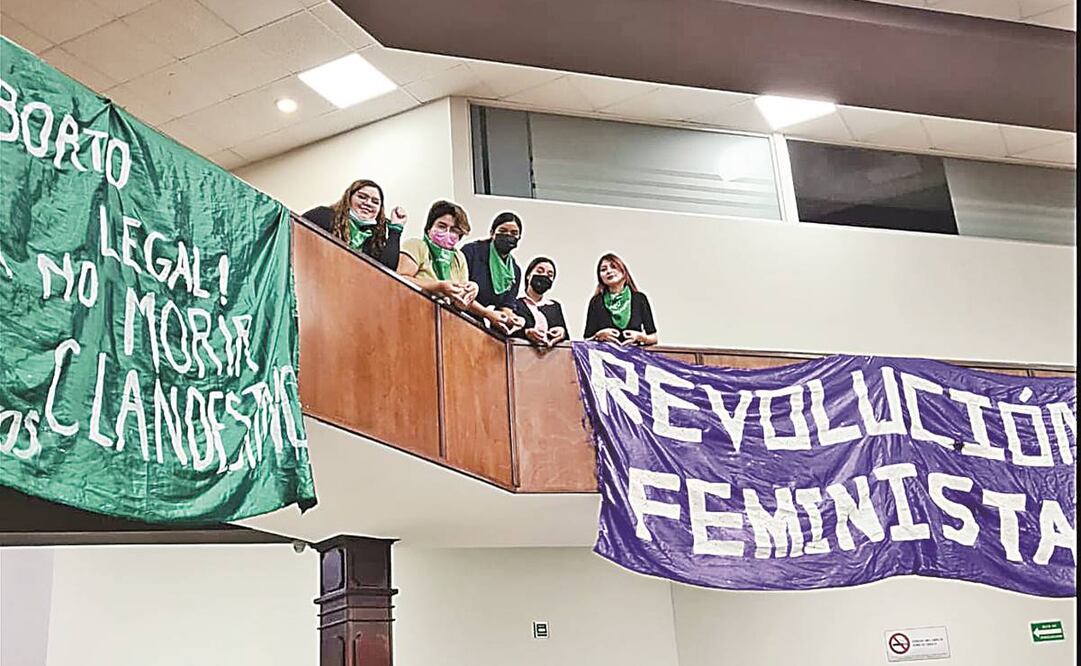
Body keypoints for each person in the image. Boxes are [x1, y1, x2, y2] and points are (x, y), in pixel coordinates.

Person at [397, 201, 519, 333]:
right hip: (415, 318)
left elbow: (461, 302)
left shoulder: (458, 257)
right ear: (429, 227)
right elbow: (401, 279)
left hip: (448, 327)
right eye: (442, 226)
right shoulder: (417, 246)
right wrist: (439, 286)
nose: (448, 232)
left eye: (454, 230)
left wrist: (471, 292)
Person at [303, 179, 407, 269]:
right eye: (362, 197)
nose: (368, 203)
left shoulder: (374, 239)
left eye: (375, 202)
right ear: (348, 199)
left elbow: (387, 270)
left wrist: (395, 229)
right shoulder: (323, 215)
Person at [460, 212, 526, 330]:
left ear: (519, 238)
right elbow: (460, 293)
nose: (508, 235)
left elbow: (506, 307)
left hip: (482, 325)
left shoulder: (515, 271)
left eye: (514, 233)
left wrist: (514, 319)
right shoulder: (472, 252)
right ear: (492, 233)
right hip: (460, 315)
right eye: (503, 231)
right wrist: (486, 313)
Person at [584, 253, 657, 346]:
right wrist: (598, 336)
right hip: (604, 356)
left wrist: (641, 337)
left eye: (613, 267)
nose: (609, 271)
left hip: (634, 357)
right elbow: (586, 340)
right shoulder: (596, 302)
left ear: (624, 271)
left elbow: (654, 338)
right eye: (603, 269)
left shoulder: (640, 299)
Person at [512, 257, 567, 347]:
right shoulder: (512, 303)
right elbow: (499, 330)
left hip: (550, 357)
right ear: (528, 275)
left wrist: (562, 332)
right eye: (540, 271)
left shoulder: (555, 307)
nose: (544, 276)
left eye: (550, 275)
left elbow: (566, 339)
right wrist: (525, 333)